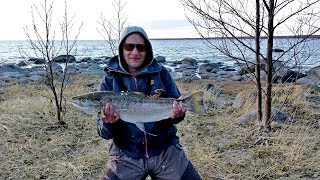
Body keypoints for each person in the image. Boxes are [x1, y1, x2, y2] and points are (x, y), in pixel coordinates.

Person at [96, 26, 201, 180]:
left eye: (141, 47)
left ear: (148, 50)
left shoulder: (162, 73)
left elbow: (176, 115)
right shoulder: (108, 81)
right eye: (129, 46)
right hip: (125, 153)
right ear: (121, 49)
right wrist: (109, 122)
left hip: (165, 148)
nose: (135, 52)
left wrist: (178, 114)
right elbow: (104, 133)